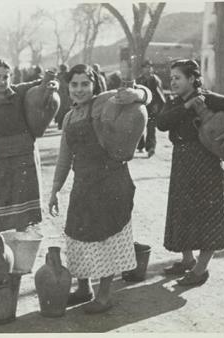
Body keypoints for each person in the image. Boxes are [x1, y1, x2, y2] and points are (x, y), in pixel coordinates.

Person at [48, 64, 152, 314]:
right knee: (77, 233)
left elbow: (145, 94)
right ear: (68, 87)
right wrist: (54, 190)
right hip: (83, 183)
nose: (80, 89)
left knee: (108, 236)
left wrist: (138, 95)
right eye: (75, 84)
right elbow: (64, 158)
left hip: (111, 181)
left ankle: (105, 295)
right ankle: (84, 288)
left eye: (85, 84)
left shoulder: (105, 102)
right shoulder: (68, 117)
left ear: (94, 85)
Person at [157, 59, 224, 286]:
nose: (173, 82)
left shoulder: (208, 98)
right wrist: (186, 106)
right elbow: (161, 123)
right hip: (182, 163)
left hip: (207, 165)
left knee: (208, 216)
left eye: (178, 78)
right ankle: (187, 260)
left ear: (192, 79)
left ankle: (200, 269)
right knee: (182, 211)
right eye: (172, 78)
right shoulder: (175, 102)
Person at [0, 59, 43, 232]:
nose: (2, 81)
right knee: (2, 199)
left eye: (6, 77)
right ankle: (0, 246)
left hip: (26, 154)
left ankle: (24, 244)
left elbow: (40, 83)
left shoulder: (19, 93)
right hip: (2, 158)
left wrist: (51, 82)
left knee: (26, 205)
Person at [136, 60, 166, 157]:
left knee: (151, 128)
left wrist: (159, 107)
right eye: (146, 67)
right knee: (140, 126)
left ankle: (151, 148)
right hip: (141, 107)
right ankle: (140, 145)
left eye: (150, 67)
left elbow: (160, 95)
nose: (148, 69)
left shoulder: (155, 80)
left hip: (152, 107)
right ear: (142, 69)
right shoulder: (139, 80)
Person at [54, 63, 71, 130]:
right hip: (67, 96)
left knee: (60, 111)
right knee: (67, 110)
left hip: (59, 96)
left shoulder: (57, 77)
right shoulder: (69, 76)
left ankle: (60, 124)